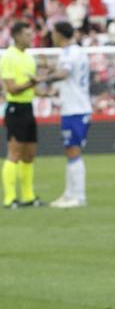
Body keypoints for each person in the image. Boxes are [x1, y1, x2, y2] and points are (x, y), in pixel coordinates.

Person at [2, 20, 50, 208]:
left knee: (29, 154)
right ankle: (10, 198)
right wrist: (34, 83)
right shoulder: (8, 57)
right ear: (17, 36)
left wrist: (44, 92)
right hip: (15, 109)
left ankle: (29, 196)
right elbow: (12, 88)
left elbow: (31, 86)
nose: (31, 38)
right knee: (14, 152)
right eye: (27, 35)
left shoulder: (29, 58)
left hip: (28, 107)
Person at [45, 21, 92, 207]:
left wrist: (43, 78)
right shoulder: (79, 51)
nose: (52, 37)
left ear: (59, 34)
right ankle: (69, 193)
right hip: (77, 107)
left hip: (75, 109)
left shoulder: (68, 53)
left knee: (73, 150)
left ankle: (78, 196)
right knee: (70, 150)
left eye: (53, 33)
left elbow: (64, 74)